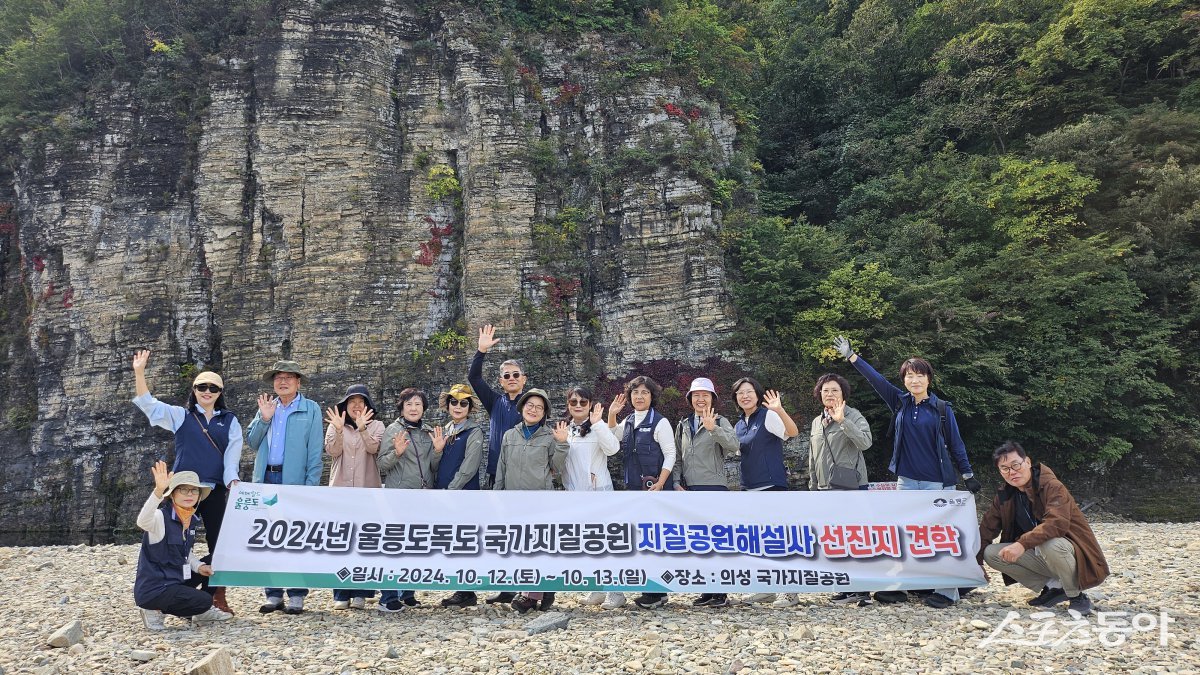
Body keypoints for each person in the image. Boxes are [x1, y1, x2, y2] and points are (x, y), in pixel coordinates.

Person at [833, 336, 981, 609]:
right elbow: (876, 381)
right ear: (904, 380)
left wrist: (968, 475)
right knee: (906, 535)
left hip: (937, 483)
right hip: (906, 481)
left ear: (929, 379)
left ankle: (948, 590)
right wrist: (852, 356)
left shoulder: (941, 409)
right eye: (910, 376)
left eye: (920, 375)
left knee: (939, 537)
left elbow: (957, 445)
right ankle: (911, 584)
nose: (915, 380)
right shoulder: (900, 403)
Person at [131, 350, 241, 616]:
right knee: (173, 540)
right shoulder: (181, 416)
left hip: (212, 489)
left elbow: (231, 459)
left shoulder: (230, 421)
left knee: (221, 546)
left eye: (213, 388)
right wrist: (139, 372)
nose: (207, 391)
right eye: (201, 387)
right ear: (194, 390)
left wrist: (233, 482)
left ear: (220, 392)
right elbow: (149, 404)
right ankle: (164, 588)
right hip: (182, 490)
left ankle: (214, 596)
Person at [979, 441, 1109, 616]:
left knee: (1050, 543)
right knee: (991, 553)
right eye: (1005, 469)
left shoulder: (1052, 486)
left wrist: (1021, 544)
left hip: (1074, 555)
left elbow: (1056, 524)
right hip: (1041, 555)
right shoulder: (1005, 495)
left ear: (1027, 462)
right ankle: (1054, 588)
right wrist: (977, 562)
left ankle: (1076, 595)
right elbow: (987, 527)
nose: (1012, 472)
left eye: (1015, 465)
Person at [247, 360, 324, 615]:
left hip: (294, 483)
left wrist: (310, 486)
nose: (282, 381)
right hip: (267, 479)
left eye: (289, 377)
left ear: (298, 382)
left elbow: (315, 452)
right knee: (269, 538)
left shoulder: (311, 409)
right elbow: (252, 441)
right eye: (278, 377)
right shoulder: (266, 407)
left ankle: (297, 595)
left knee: (295, 539)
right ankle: (272, 594)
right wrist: (264, 419)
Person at [467, 325, 530, 606]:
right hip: (496, 475)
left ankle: (526, 587)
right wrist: (481, 351)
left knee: (525, 534)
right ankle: (505, 587)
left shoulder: (533, 404)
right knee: (501, 534)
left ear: (524, 379)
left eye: (516, 375)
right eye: (507, 376)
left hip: (524, 479)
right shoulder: (494, 402)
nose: (512, 379)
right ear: (502, 382)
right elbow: (473, 377)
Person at [494, 388, 569, 614]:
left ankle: (529, 597)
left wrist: (563, 444)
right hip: (513, 500)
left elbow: (556, 468)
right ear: (522, 408)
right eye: (530, 405)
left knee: (537, 548)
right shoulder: (509, 435)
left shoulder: (549, 436)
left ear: (544, 412)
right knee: (519, 548)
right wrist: (497, 494)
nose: (533, 409)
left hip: (540, 501)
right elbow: (502, 468)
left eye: (539, 407)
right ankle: (544, 591)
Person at [134, 461, 233, 630]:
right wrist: (158, 491)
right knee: (204, 600)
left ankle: (197, 608)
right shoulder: (160, 517)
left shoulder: (189, 519)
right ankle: (154, 611)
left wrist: (199, 566)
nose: (190, 494)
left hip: (175, 580)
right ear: (172, 494)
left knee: (214, 559)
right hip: (155, 589)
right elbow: (142, 521)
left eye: (194, 490)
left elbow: (185, 554)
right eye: (183, 489)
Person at [608, 375, 677, 609]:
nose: (639, 396)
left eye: (644, 392)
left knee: (657, 540)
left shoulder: (661, 422)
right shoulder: (627, 421)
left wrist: (661, 483)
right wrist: (611, 415)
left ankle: (657, 593)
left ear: (652, 396)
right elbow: (613, 439)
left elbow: (670, 454)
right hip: (634, 491)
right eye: (635, 392)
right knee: (641, 540)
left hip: (656, 491)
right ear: (629, 397)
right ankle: (651, 590)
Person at [731, 376, 800, 605]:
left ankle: (790, 592)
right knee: (757, 541)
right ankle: (765, 589)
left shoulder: (768, 415)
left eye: (749, 391)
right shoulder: (739, 424)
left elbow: (792, 432)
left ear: (758, 395)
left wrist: (780, 410)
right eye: (740, 393)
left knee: (778, 540)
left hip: (771, 486)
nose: (745, 396)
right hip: (748, 487)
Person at [807, 372, 873, 608]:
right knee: (835, 540)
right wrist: (813, 487)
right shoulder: (817, 421)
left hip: (851, 487)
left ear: (843, 393)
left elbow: (865, 442)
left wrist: (843, 420)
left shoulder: (854, 415)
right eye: (825, 390)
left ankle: (862, 589)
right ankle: (846, 588)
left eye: (834, 390)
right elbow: (813, 457)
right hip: (825, 490)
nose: (830, 394)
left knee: (855, 538)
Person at [672, 377, 739, 609]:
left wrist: (714, 429)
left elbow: (734, 445)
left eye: (706, 395)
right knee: (698, 542)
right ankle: (707, 590)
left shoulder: (721, 421)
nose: (701, 399)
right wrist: (676, 482)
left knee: (716, 542)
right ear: (690, 399)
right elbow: (678, 457)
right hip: (689, 488)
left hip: (714, 487)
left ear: (713, 399)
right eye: (697, 395)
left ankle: (720, 592)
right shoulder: (682, 424)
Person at [561, 386, 624, 610]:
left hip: (600, 493)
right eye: (573, 402)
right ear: (568, 404)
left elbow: (613, 449)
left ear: (590, 404)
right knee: (586, 544)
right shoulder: (564, 429)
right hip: (575, 495)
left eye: (583, 402)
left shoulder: (598, 426)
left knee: (607, 544)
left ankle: (616, 592)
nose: (578, 406)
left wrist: (599, 423)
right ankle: (596, 588)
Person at [324, 384, 384, 610]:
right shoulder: (335, 425)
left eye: (361, 402)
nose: (357, 406)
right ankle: (341, 592)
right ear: (345, 406)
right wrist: (339, 430)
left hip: (368, 493)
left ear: (368, 406)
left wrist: (362, 429)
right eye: (352, 402)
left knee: (364, 542)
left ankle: (362, 592)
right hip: (340, 492)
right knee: (341, 541)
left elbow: (374, 449)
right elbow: (332, 451)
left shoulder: (377, 425)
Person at [377, 388, 438, 612]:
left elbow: (433, 467)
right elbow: (382, 464)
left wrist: (438, 451)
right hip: (399, 496)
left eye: (418, 405)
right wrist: (397, 453)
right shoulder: (392, 430)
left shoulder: (427, 432)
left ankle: (408, 592)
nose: (414, 408)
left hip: (423, 496)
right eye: (409, 404)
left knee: (415, 545)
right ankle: (389, 596)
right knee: (394, 546)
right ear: (401, 407)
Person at [433, 384, 486, 608]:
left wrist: (451, 491)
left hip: (463, 495)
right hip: (446, 493)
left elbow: (470, 466)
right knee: (452, 542)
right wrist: (437, 450)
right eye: (454, 401)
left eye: (463, 402)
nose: (458, 406)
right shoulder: (445, 430)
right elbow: (435, 464)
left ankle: (467, 591)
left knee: (465, 541)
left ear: (470, 407)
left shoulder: (474, 432)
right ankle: (460, 588)